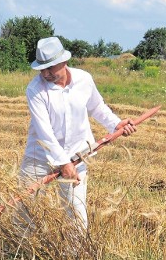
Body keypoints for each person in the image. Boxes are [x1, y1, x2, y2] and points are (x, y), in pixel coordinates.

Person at [20, 36, 136, 230]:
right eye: (42, 68)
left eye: (50, 67)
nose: (45, 73)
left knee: (76, 213)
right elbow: (44, 132)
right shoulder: (35, 90)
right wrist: (62, 162)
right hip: (39, 157)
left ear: (64, 62)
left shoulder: (84, 79)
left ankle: (76, 258)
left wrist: (116, 124)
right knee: (25, 210)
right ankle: (19, 254)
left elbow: (97, 107)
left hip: (77, 155)